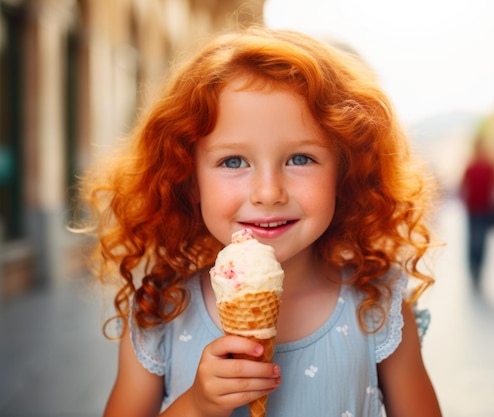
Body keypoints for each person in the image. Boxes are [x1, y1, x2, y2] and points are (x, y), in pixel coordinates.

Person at [73, 27, 442, 417]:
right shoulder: (161, 310)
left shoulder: (376, 305)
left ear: (344, 172)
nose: (268, 192)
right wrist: (196, 406)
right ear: (188, 177)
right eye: (233, 162)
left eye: (300, 158)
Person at [459, 138, 494, 289]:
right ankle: (476, 271)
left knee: (474, 240)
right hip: (481, 208)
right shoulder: (489, 166)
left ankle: (475, 271)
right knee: (480, 240)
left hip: (476, 208)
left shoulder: (473, 166)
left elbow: (463, 186)